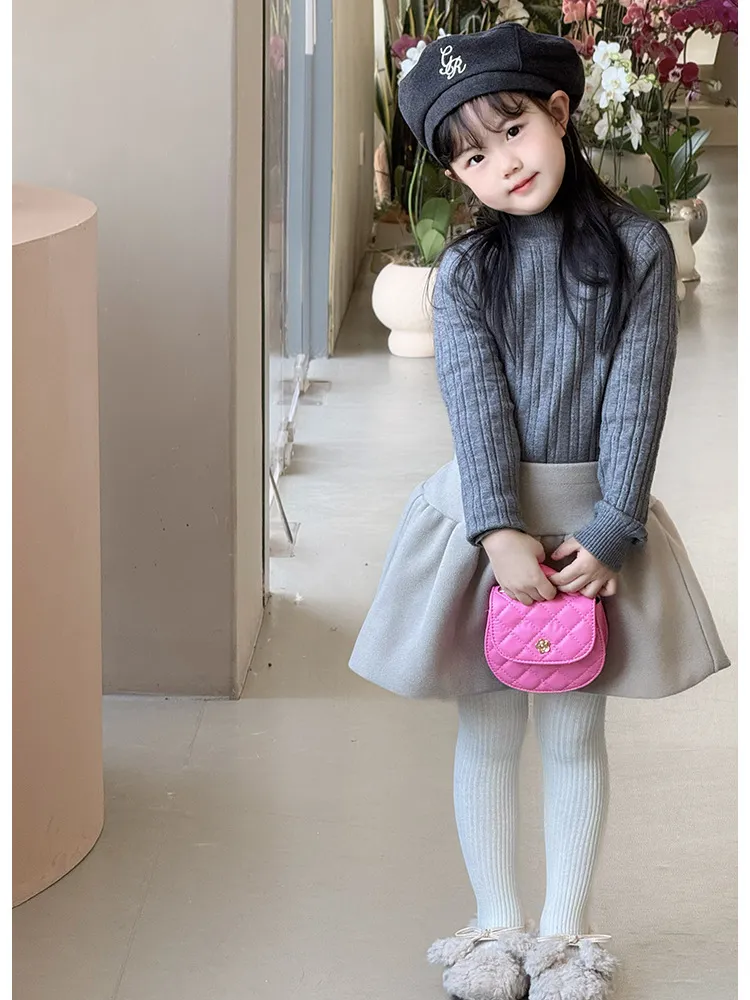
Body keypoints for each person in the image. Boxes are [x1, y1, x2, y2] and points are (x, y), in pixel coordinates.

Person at [349, 22, 730, 1000]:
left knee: (570, 734)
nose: (502, 164)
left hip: (589, 530)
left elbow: (638, 396)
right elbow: (474, 404)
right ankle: (494, 924)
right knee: (485, 732)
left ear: (559, 114)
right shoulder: (467, 272)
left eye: (513, 129)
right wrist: (496, 531)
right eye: (472, 157)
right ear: (455, 175)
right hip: (489, 529)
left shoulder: (640, 249)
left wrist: (612, 528)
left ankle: (564, 935)